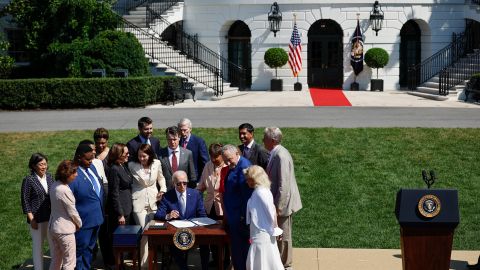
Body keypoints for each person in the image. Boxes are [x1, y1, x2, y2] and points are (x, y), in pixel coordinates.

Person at [263, 127, 302, 270]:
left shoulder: (281, 156)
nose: (262, 140)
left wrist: (278, 207)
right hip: (279, 202)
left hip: (283, 204)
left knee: (284, 235)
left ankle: (286, 265)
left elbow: (283, 185)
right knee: (280, 234)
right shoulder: (276, 153)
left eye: (265, 138)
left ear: (272, 140)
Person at [154, 170, 208, 270]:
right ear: (174, 183)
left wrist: (203, 225)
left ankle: (205, 268)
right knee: (174, 244)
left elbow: (202, 214)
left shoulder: (196, 194)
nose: (182, 186)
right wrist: (168, 215)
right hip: (176, 232)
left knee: (205, 242)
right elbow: (158, 214)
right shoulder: (167, 196)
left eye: (185, 183)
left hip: (194, 230)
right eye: (179, 184)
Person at [128, 143, 167, 268]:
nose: (141, 159)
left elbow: (161, 178)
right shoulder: (131, 165)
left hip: (154, 201)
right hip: (138, 202)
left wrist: (163, 189)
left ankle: (153, 261)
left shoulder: (156, 163)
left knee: (153, 233)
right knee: (144, 232)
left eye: (144, 156)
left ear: (149, 155)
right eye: (139, 156)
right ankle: (144, 265)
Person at [69, 144, 104, 270]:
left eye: (92, 158)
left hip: (96, 218)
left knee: (90, 249)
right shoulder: (72, 174)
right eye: (88, 159)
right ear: (79, 158)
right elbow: (68, 200)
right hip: (82, 222)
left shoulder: (92, 167)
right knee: (79, 251)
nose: (91, 161)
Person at [244, 165, 284, 270]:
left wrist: (276, 229)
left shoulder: (261, 192)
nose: (246, 182)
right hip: (260, 230)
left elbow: (272, 211)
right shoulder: (261, 191)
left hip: (262, 232)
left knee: (263, 261)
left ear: (254, 179)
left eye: (248, 179)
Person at [221, 144, 253, 270]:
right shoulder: (233, 165)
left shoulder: (244, 167)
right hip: (233, 217)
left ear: (237, 154)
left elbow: (247, 196)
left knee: (241, 252)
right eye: (225, 161)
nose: (228, 162)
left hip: (240, 219)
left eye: (229, 159)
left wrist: (242, 216)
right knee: (237, 251)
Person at [197, 143, 228, 268]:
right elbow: (202, 186)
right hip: (209, 207)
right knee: (211, 237)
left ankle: (225, 262)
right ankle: (215, 260)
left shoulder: (228, 166)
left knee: (224, 238)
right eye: (212, 157)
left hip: (223, 208)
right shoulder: (208, 166)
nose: (214, 160)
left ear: (221, 155)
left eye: (216, 157)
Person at [21, 153, 54, 270]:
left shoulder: (50, 177)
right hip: (37, 220)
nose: (44, 167)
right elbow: (25, 201)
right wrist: (32, 219)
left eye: (45, 164)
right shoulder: (28, 180)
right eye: (41, 164)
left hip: (50, 217)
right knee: (38, 247)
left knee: (53, 245)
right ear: (34, 166)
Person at [49, 160, 82, 270]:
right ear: (67, 173)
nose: (76, 174)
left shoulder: (54, 185)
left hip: (54, 227)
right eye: (74, 172)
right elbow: (72, 212)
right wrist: (79, 224)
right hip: (65, 231)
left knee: (56, 260)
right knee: (69, 263)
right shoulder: (64, 190)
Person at [104, 143, 134, 267]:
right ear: (118, 154)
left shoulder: (123, 165)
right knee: (118, 242)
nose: (128, 155)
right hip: (120, 211)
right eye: (126, 153)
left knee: (123, 241)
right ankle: (117, 265)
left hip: (127, 207)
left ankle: (120, 263)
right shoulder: (114, 169)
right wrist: (120, 214)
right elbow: (114, 193)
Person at [178, 118, 209, 186]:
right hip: (180, 180)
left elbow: (205, 162)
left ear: (190, 129)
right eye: (181, 130)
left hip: (195, 180)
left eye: (185, 130)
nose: (183, 132)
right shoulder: (178, 142)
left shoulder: (199, 142)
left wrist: (201, 180)